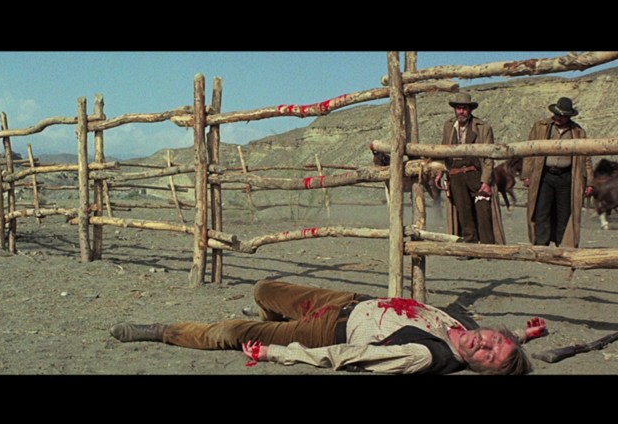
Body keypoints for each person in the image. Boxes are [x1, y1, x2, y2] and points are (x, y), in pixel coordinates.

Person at [110, 279, 547, 375]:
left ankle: (162, 331)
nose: (485, 343)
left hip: (327, 332)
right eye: (495, 340)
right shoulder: (466, 328)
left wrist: (277, 353)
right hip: (345, 302)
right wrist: (523, 336)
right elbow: (498, 340)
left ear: (480, 369)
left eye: (489, 356)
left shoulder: (422, 356)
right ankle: (276, 323)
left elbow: (347, 356)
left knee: (230, 333)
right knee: (264, 290)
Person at [521, 97, 594, 247]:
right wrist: (527, 174)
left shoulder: (578, 131)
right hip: (544, 175)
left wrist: (589, 182)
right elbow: (529, 151)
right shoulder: (541, 127)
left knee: (564, 213)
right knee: (541, 211)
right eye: (557, 114)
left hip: (567, 177)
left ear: (569, 116)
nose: (559, 118)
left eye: (563, 115)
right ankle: (541, 246)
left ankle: (563, 246)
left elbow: (586, 158)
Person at [436, 93, 505, 246]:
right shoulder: (448, 126)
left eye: (464, 108)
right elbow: (443, 150)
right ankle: (470, 245)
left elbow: (488, 157)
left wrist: (485, 181)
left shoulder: (483, 127)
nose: (461, 111)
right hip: (455, 174)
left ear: (470, 109)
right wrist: (440, 171)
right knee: (463, 211)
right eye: (458, 108)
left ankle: (487, 246)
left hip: (476, 173)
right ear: (455, 109)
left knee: (483, 210)